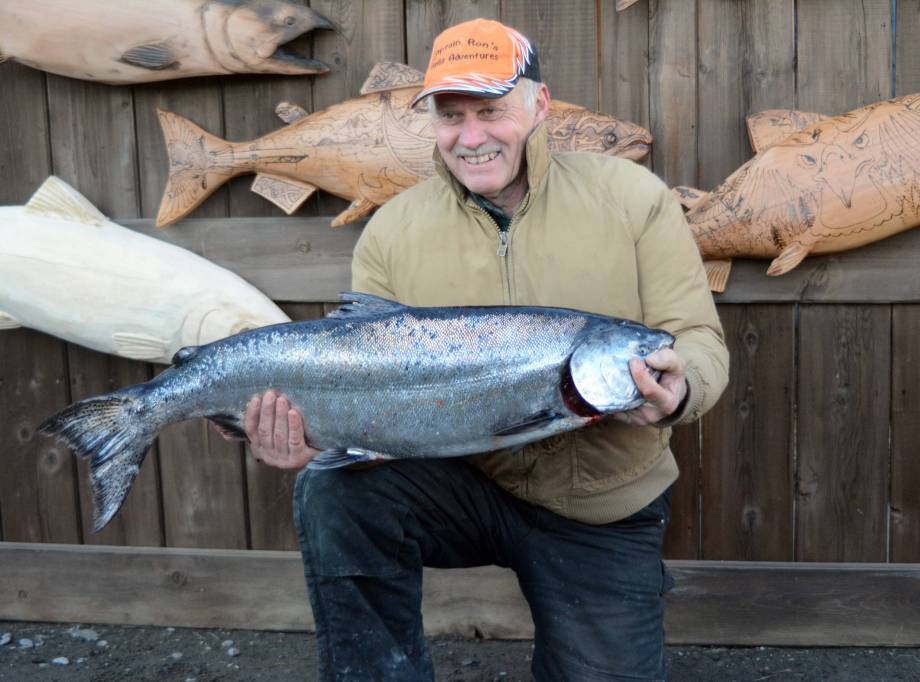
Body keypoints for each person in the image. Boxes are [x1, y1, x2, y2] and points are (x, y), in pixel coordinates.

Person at [222, 18, 728, 681]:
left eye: (491, 111)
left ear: (537, 106)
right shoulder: (392, 231)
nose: (471, 136)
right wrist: (311, 434)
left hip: (601, 506)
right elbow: (366, 382)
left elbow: (696, 340)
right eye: (450, 114)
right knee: (332, 492)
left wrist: (678, 392)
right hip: (459, 486)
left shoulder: (632, 200)